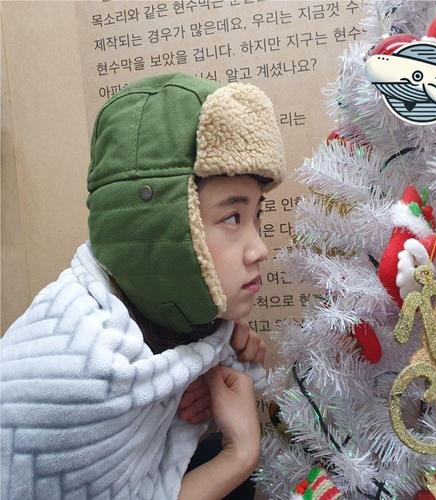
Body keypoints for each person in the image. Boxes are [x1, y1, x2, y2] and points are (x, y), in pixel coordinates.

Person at [1, 72, 285, 499]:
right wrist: (239, 456)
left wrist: (200, 371)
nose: (259, 249)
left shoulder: (162, 317)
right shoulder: (81, 371)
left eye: (256, 215)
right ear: (159, 226)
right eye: (232, 217)